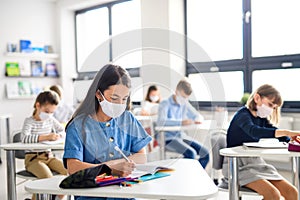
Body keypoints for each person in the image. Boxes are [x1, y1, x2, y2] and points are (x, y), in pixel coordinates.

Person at [63, 64, 152, 200]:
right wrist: (110, 168)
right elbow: (73, 167)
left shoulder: (128, 119)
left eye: (124, 98)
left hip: (124, 195)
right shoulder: (78, 126)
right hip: (92, 196)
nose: (120, 104)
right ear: (99, 94)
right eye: (114, 98)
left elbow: (141, 156)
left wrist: (123, 166)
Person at [222, 84, 299, 200]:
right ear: (257, 98)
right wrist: (287, 132)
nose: (271, 109)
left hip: (256, 162)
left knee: (292, 192)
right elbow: (254, 132)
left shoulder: (261, 118)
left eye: (274, 107)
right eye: (270, 104)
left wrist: (291, 141)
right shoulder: (242, 115)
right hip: (237, 165)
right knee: (273, 195)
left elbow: (275, 132)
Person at [21, 90, 68, 200]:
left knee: (68, 171)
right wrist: (46, 137)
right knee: (47, 178)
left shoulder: (50, 120)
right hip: (33, 159)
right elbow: (24, 138)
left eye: (52, 112)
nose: (49, 115)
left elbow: (63, 130)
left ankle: (57, 198)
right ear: (38, 105)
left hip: (49, 157)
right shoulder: (29, 121)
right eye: (47, 111)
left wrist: (58, 135)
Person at [156, 78, 209, 168]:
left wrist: (197, 119)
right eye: (183, 97)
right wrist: (181, 122)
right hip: (168, 139)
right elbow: (161, 122)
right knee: (191, 153)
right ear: (177, 91)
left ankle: (196, 176)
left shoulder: (184, 103)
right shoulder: (165, 103)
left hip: (181, 136)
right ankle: (188, 178)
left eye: (186, 98)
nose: (184, 99)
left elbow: (197, 115)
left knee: (205, 153)